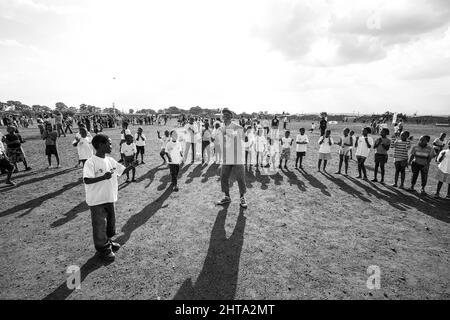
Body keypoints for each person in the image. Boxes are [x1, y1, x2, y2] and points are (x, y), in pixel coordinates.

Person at [83, 134, 137, 262]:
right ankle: (103, 248)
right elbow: (87, 180)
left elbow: (121, 171)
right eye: (109, 143)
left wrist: (131, 166)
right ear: (101, 145)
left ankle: (108, 241)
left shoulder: (110, 160)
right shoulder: (91, 162)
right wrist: (103, 177)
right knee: (99, 225)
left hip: (109, 198)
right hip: (97, 201)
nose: (111, 146)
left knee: (110, 223)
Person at [216, 108, 247, 208]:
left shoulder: (237, 127)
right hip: (226, 157)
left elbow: (244, 139)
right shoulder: (221, 128)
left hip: (237, 157)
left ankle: (242, 198)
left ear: (231, 116)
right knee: (223, 177)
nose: (224, 116)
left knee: (240, 178)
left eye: (227, 114)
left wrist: (239, 133)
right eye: (223, 114)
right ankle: (227, 196)